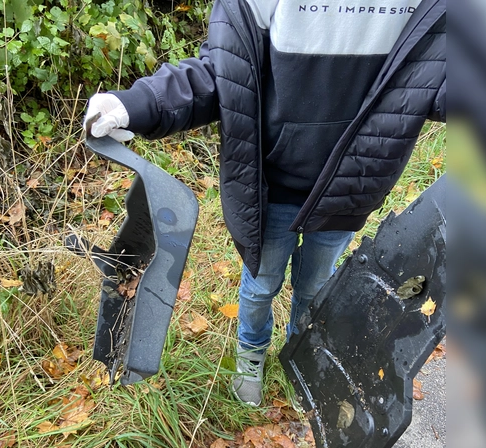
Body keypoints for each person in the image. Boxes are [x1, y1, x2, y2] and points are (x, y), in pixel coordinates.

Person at [84, 0, 446, 406]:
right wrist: (136, 105)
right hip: (270, 190)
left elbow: (448, 77)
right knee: (260, 288)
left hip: (349, 191)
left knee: (317, 289)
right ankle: (251, 356)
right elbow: (221, 73)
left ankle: (301, 356)